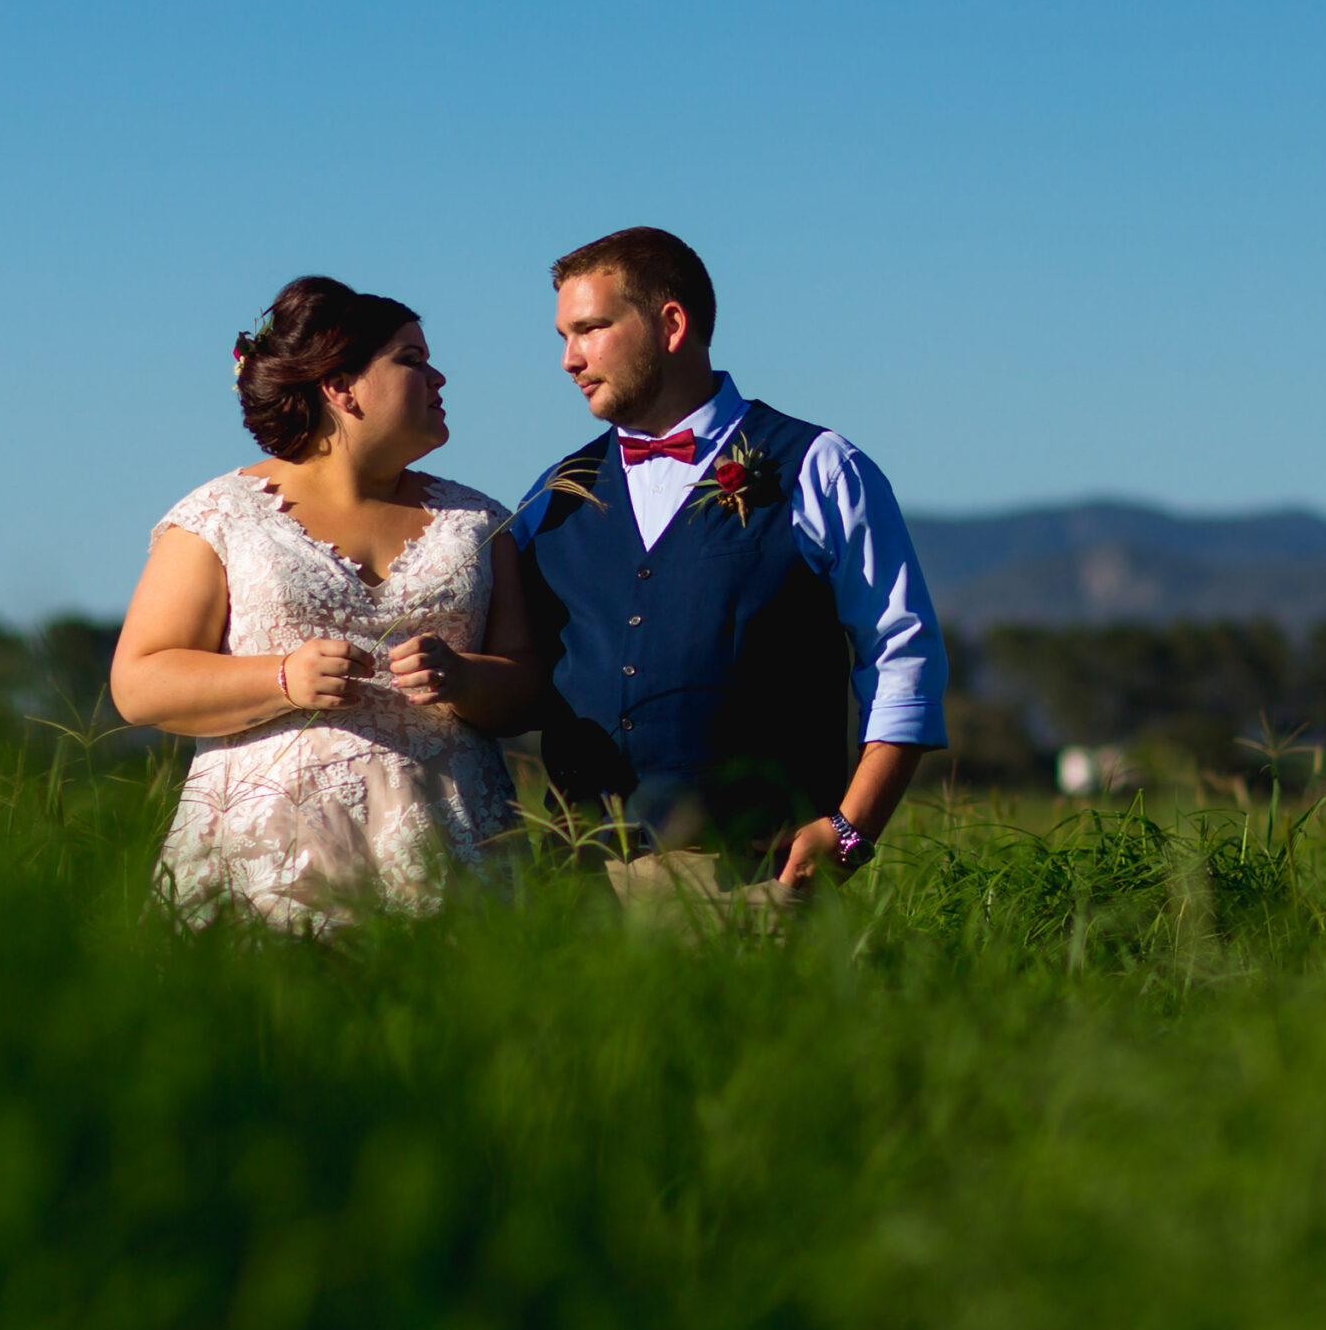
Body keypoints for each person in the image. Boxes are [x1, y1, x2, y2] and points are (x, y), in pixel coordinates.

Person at [511, 227, 947, 891]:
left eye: (590, 329)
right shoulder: (553, 496)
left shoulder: (820, 467)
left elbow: (900, 656)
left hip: (755, 881)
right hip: (576, 890)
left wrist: (852, 830)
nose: (569, 359)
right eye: (563, 337)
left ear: (671, 325)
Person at [111, 276, 535, 929]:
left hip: (455, 857)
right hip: (266, 869)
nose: (439, 378)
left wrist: (464, 677)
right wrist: (282, 677)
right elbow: (140, 683)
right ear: (339, 386)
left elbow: (530, 685)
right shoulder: (220, 517)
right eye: (412, 360)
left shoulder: (480, 522)